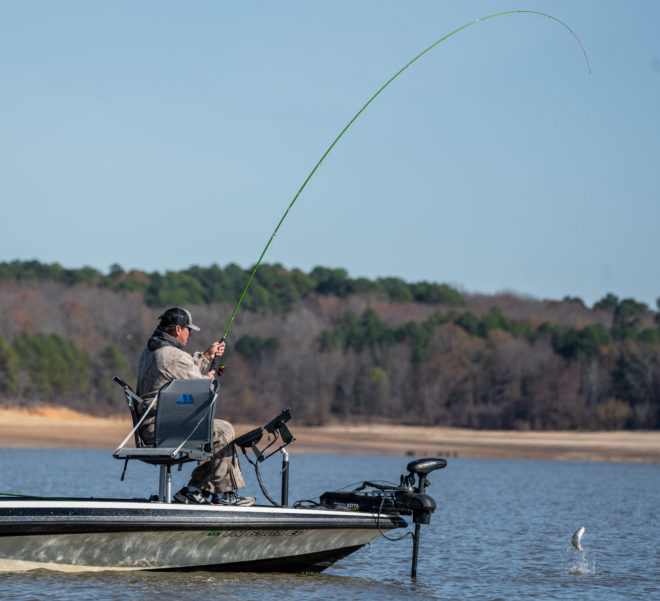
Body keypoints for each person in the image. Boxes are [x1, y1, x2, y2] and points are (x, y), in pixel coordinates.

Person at [136, 306, 255, 506]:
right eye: (188, 329)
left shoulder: (150, 351)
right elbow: (199, 392)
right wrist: (207, 380)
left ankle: (193, 491)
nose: (189, 334)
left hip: (151, 426)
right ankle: (223, 494)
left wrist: (207, 357)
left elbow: (177, 373)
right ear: (176, 330)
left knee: (212, 433)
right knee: (223, 431)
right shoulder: (174, 356)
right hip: (163, 429)